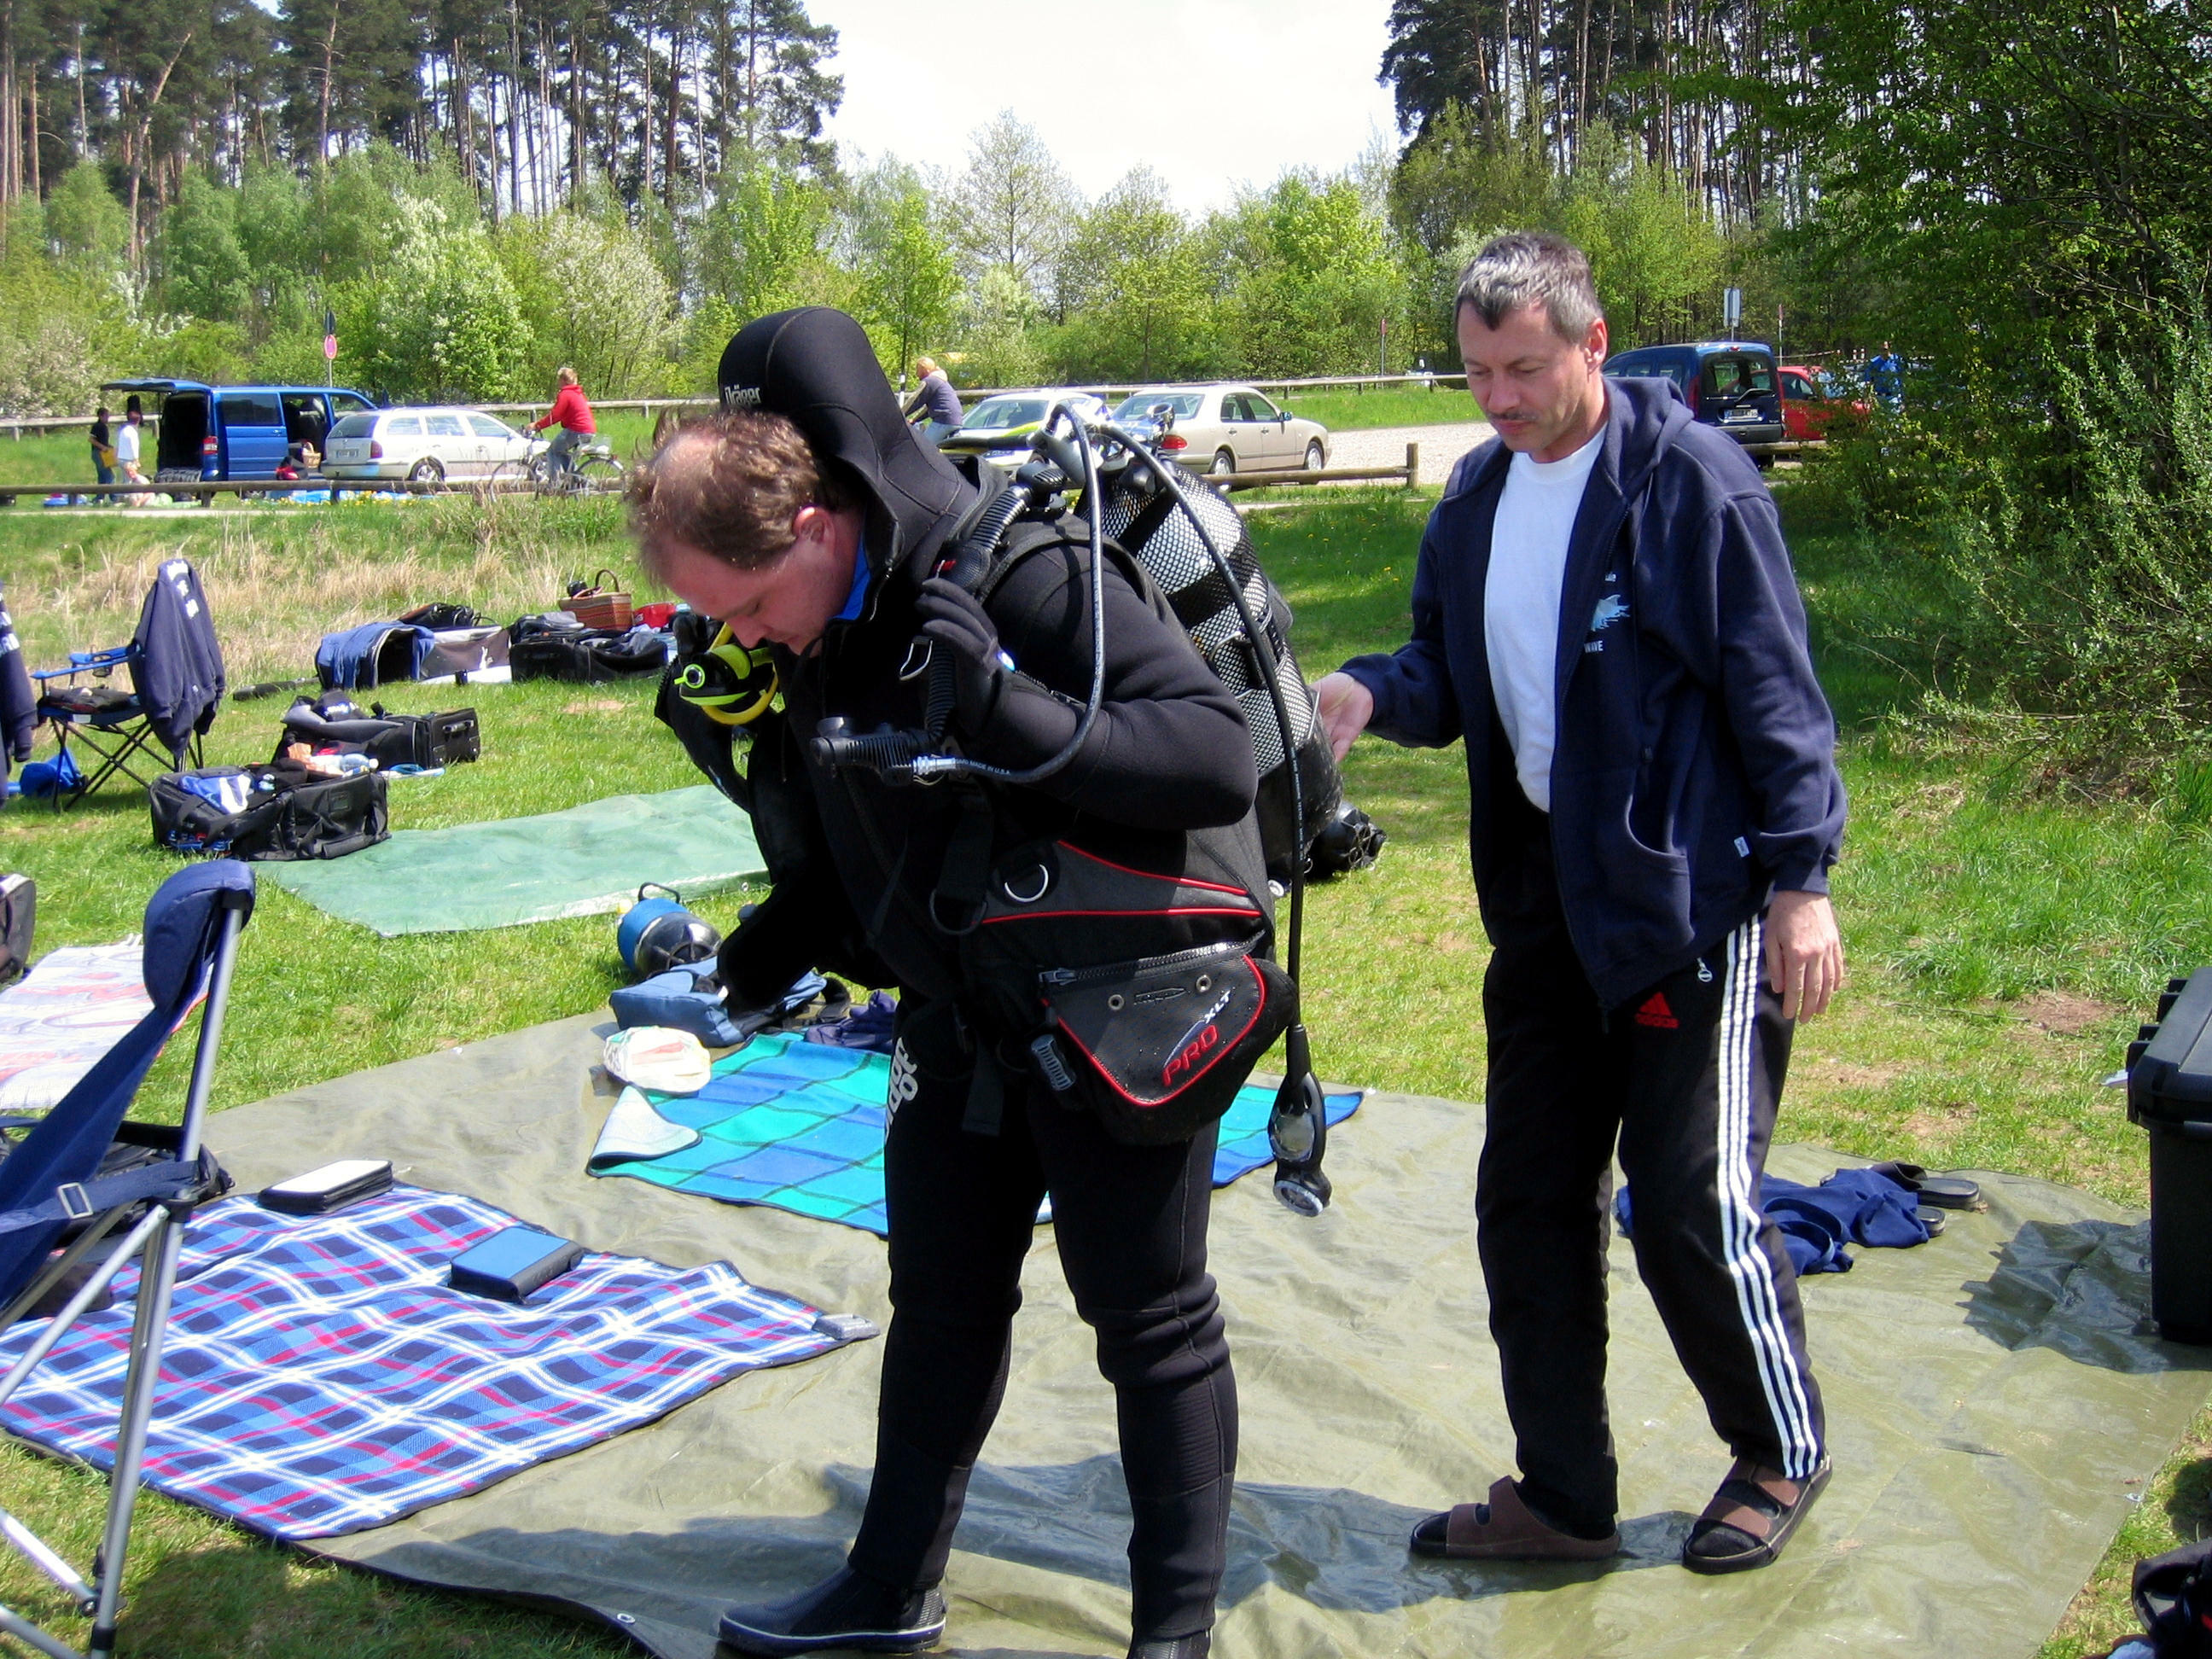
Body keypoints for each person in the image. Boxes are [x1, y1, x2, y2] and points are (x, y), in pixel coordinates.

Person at [626, 306, 1260, 1659]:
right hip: (964, 1011)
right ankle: (889, 1587)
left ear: (817, 528)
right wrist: (787, 932)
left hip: (1120, 999)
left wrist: (1009, 707)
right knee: (942, 1303)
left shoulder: (1025, 574)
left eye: (748, 606)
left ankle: (1176, 1635)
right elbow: (893, 829)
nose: (748, 638)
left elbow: (1216, 759)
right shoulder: (825, 627)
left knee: (1150, 1319)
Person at [1312, 231, 1847, 1576]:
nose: (1498, 397)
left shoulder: (1693, 484)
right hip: (1546, 916)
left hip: (1691, 908)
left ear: (1592, 344)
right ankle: (1564, 1496)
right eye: (1477, 371)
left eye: (1524, 368)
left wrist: (1802, 881)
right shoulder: (1474, 499)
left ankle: (1778, 1449)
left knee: (1686, 1202)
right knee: (1527, 1203)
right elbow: (1451, 668)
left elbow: (1776, 691)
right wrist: (1372, 689)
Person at [531, 365, 596, 474]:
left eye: (559, 379)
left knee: (552, 451)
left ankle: (554, 482)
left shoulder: (565, 394)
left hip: (577, 430)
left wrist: (537, 425)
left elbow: (555, 416)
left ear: (563, 380)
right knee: (561, 451)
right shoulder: (577, 393)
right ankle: (576, 479)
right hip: (588, 430)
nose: (558, 382)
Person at [900, 355, 963, 446]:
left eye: (918, 370)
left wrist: (899, 414)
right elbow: (927, 409)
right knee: (937, 450)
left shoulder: (930, 381)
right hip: (956, 421)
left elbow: (915, 400)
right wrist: (914, 420)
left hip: (944, 421)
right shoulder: (941, 382)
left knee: (923, 448)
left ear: (924, 369)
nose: (917, 374)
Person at [114, 398, 147, 498]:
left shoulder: (123, 430)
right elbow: (134, 446)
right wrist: (136, 460)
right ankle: (126, 498)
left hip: (121, 458)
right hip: (129, 460)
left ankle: (122, 497)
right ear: (137, 421)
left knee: (125, 479)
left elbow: (117, 445)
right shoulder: (132, 432)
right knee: (130, 480)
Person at [1866, 342, 1905, 412]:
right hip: (1879, 397)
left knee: (1893, 418)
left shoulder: (1897, 361)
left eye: (1884, 349)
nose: (1882, 352)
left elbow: (1902, 380)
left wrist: (1903, 400)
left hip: (1894, 397)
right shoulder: (1873, 363)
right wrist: (1868, 397)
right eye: (1880, 350)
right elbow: (1869, 380)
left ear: (1889, 348)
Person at [87, 406, 114, 502]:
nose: (108, 418)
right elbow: (91, 439)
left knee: (102, 476)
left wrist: (110, 447)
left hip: (103, 453)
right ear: (100, 416)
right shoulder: (98, 426)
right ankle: (114, 497)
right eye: (106, 416)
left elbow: (102, 441)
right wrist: (103, 447)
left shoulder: (104, 427)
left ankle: (99, 497)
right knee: (109, 476)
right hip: (98, 453)